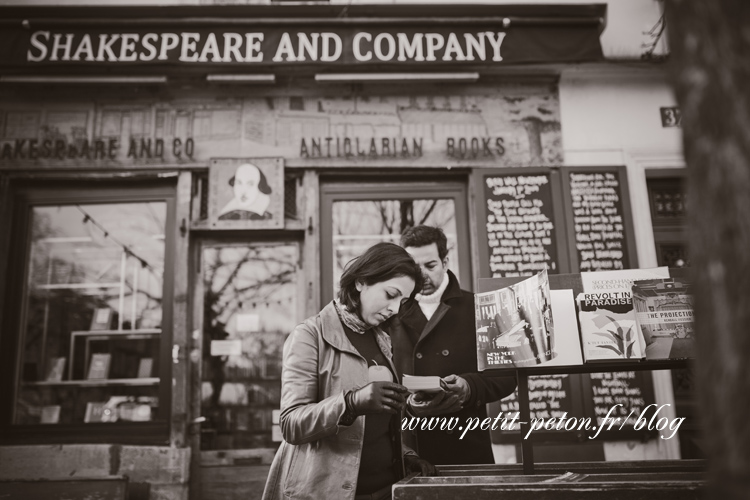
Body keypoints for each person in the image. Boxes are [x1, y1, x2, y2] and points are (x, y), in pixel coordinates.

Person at [263, 242, 435, 500]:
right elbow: (291, 424)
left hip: (387, 489)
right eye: (390, 294)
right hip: (327, 492)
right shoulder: (309, 335)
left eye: (404, 301)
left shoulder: (382, 338)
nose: (395, 309)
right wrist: (351, 403)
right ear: (361, 282)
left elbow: (377, 426)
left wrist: (406, 456)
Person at [390, 225, 517, 465]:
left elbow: (506, 376)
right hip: (409, 446)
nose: (422, 275)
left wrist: (469, 387)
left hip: (465, 442)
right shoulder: (390, 313)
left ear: (445, 261)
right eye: (414, 267)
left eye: (430, 266)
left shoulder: (478, 307)